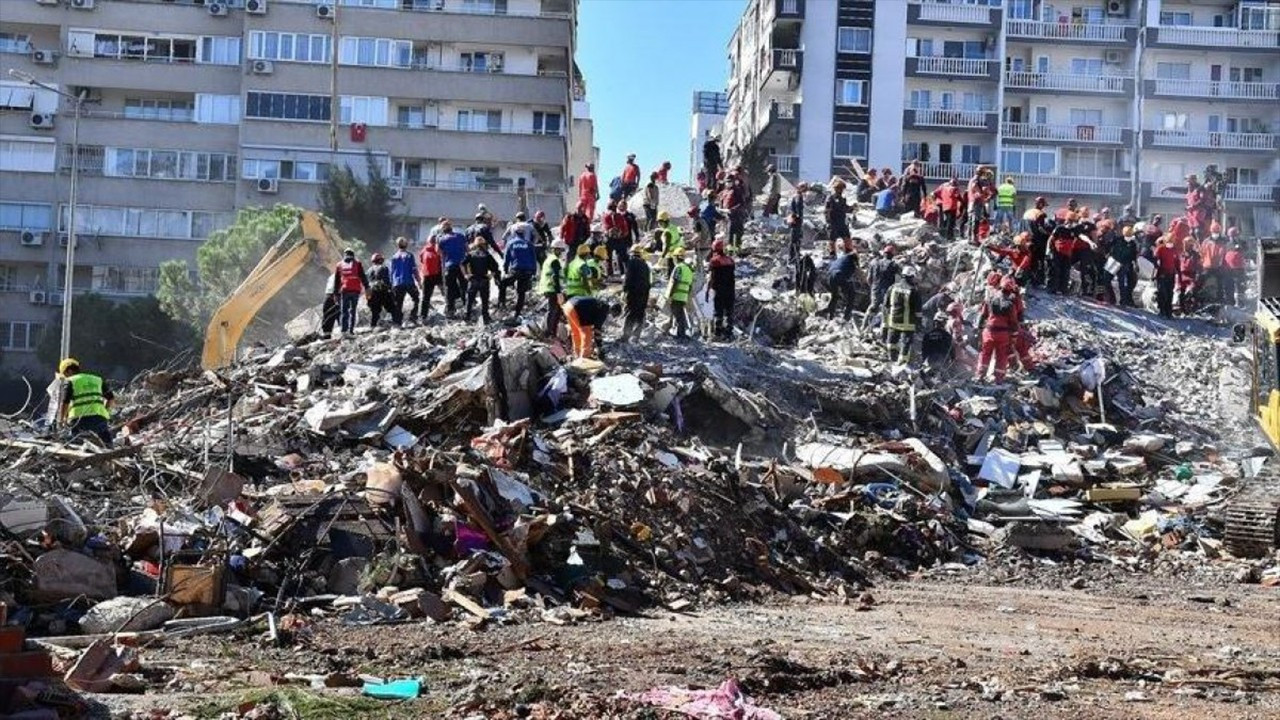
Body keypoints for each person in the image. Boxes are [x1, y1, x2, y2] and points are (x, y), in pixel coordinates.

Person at [58, 358, 114, 446]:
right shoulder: (97, 379)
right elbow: (111, 398)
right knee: (106, 444)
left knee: (78, 445)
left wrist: (62, 420)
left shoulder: (71, 381)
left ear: (69, 371)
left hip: (79, 420)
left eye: (65, 374)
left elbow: (65, 402)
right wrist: (106, 412)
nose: (65, 377)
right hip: (99, 418)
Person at [975, 277, 1019, 382]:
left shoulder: (990, 298)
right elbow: (1014, 323)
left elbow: (982, 315)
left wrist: (979, 329)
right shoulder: (1010, 304)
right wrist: (1014, 337)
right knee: (1001, 356)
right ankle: (998, 379)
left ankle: (979, 376)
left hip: (989, 332)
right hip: (1003, 334)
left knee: (985, 354)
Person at [502, 213, 539, 316]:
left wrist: (505, 271)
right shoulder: (529, 241)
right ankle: (517, 313)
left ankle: (502, 304)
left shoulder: (511, 238)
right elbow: (534, 258)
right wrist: (534, 271)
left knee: (503, 283)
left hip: (515, 268)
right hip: (527, 270)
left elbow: (504, 239)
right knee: (521, 292)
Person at [562, 295, 620, 359]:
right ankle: (585, 357)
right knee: (587, 334)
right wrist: (599, 347)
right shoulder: (604, 310)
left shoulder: (600, 304)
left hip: (568, 306)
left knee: (576, 332)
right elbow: (597, 330)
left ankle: (577, 354)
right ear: (613, 311)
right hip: (577, 309)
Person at [884, 265, 922, 364]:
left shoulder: (893, 287)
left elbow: (886, 304)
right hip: (907, 323)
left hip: (893, 320)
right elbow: (918, 310)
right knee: (906, 343)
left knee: (892, 341)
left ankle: (891, 359)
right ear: (911, 277)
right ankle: (902, 362)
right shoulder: (913, 291)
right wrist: (918, 323)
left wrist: (886, 320)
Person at [862, 244, 899, 331]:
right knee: (886, 310)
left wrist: (874, 287)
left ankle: (864, 326)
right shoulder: (893, 265)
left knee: (872, 307)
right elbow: (898, 280)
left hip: (875, 288)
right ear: (892, 255)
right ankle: (883, 331)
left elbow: (868, 279)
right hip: (887, 290)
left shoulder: (874, 263)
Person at [333, 248, 369, 334]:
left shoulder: (339, 265)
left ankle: (344, 330)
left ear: (344, 255)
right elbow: (363, 276)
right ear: (353, 255)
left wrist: (335, 294)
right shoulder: (358, 264)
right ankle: (351, 330)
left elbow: (337, 281)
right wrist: (367, 287)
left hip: (345, 290)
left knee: (344, 311)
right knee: (353, 310)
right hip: (355, 290)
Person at [823, 238, 859, 322]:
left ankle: (830, 316)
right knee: (852, 294)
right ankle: (846, 317)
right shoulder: (851, 261)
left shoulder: (840, 259)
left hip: (830, 276)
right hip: (838, 275)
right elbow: (856, 273)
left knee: (834, 296)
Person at [706, 239, 736, 340]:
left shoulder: (714, 261)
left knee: (718, 311)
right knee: (729, 312)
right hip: (730, 290)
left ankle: (718, 333)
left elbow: (711, 277)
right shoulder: (731, 260)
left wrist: (707, 290)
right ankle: (729, 333)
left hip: (719, 290)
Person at [621, 243, 652, 342]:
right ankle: (636, 336)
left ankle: (626, 336)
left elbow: (628, 278)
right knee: (640, 314)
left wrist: (624, 290)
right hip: (644, 293)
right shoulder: (645, 265)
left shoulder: (631, 262)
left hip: (633, 293)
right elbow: (648, 281)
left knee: (630, 313)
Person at [463, 237, 498, 324]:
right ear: (484, 244)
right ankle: (485, 318)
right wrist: (491, 275)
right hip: (484, 279)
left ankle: (467, 317)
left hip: (473, 279)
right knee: (485, 300)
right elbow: (495, 266)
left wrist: (466, 274)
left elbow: (462, 264)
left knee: (470, 300)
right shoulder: (487, 255)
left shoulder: (470, 254)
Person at [437, 220, 468, 318]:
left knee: (449, 288)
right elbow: (467, 249)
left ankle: (451, 310)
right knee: (464, 286)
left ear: (443, 229)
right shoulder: (460, 236)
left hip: (449, 265)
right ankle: (467, 308)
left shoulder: (441, 239)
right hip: (462, 265)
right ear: (451, 227)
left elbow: (439, 252)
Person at [539, 239, 568, 339]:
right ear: (557, 250)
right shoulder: (555, 261)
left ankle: (552, 333)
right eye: (561, 250)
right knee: (553, 311)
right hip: (552, 289)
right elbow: (555, 277)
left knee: (556, 311)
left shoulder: (549, 259)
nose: (562, 253)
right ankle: (548, 333)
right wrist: (559, 292)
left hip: (549, 288)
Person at [603, 201, 639, 278]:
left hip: (618, 239)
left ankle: (624, 273)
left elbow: (625, 228)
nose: (612, 210)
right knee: (611, 257)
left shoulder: (619, 216)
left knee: (622, 257)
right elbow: (606, 229)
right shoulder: (610, 217)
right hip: (614, 239)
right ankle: (615, 273)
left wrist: (620, 233)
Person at [389, 237, 420, 326]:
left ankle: (398, 322)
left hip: (397, 283)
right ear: (406, 245)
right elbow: (414, 270)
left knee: (398, 304)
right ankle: (413, 316)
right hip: (409, 282)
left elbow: (392, 271)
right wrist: (419, 281)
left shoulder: (394, 256)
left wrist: (391, 284)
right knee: (416, 299)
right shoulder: (409, 255)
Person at [666, 248, 695, 340]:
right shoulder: (688, 269)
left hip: (676, 295)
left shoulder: (678, 268)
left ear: (676, 257)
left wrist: (670, 295)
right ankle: (680, 333)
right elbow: (690, 285)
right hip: (683, 296)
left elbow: (675, 282)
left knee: (677, 315)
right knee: (680, 314)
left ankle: (680, 334)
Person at [1109, 226, 1138, 307]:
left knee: (1123, 282)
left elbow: (1134, 255)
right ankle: (1113, 298)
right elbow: (1110, 248)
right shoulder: (1117, 240)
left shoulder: (1132, 243)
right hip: (1116, 263)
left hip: (1126, 264)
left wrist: (1135, 264)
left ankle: (1123, 300)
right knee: (1111, 280)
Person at [1199, 223, 1226, 305]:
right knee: (1203, 283)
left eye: (1217, 232)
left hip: (1218, 266)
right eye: (1214, 232)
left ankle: (1219, 301)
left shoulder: (1223, 241)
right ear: (1211, 231)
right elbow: (1202, 253)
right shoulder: (1206, 241)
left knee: (1220, 284)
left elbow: (1224, 253)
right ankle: (1202, 301)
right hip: (1207, 266)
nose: (1215, 234)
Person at [1154, 234, 1180, 318]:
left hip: (1171, 274)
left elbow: (1176, 262)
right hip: (1162, 274)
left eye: (1171, 242)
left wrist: (1178, 272)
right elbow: (1156, 259)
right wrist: (1156, 268)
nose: (1170, 243)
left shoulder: (1175, 250)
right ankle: (1162, 310)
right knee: (1162, 293)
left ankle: (1168, 311)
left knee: (1170, 293)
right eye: (1168, 242)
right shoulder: (1161, 249)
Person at [418, 235, 443, 320]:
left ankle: (423, 316)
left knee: (426, 297)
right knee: (446, 294)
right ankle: (450, 311)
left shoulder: (424, 249)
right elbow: (442, 261)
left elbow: (421, 260)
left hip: (427, 275)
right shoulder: (438, 249)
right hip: (438, 274)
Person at [366, 253, 395, 328]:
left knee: (375, 312)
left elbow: (367, 283)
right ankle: (396, 324)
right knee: (392, 309)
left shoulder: (369, 270)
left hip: (372, 293)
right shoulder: (384, 268)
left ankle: (373, 326)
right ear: (381, 260)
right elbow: (387, 281)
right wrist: (392, 290)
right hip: (383, 292)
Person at [824, 180, 852, 249]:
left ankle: (848, 251)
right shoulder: (831, 198)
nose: (842, 190)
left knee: (847, 236)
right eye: (841, 188)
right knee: (832, 239)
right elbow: (827, 210)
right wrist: (828, 221)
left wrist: (852, 208)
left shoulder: (841, 198)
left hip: (841, 221)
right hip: (833, 221)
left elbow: (844, 208)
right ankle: (832, 253)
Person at [657, 211, 684, 275]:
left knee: (671, 274)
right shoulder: (673, 227)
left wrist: (661, 258)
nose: (659, 224)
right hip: (679, 252)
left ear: (662, 221)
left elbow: (666, 246)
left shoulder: (667, 232)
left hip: (672, 255)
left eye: (659, 222)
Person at [1223, 234, 1245, 307]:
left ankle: (1240, 303)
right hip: (1229, 268)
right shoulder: (1226, 244)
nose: (1233, 237)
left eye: (1235, 235)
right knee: (1230, 286)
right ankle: (1230, 302)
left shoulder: (1241, 243)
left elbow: (1246, 249)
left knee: (1239, 286)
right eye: (1232, 236)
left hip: (1238, 268)